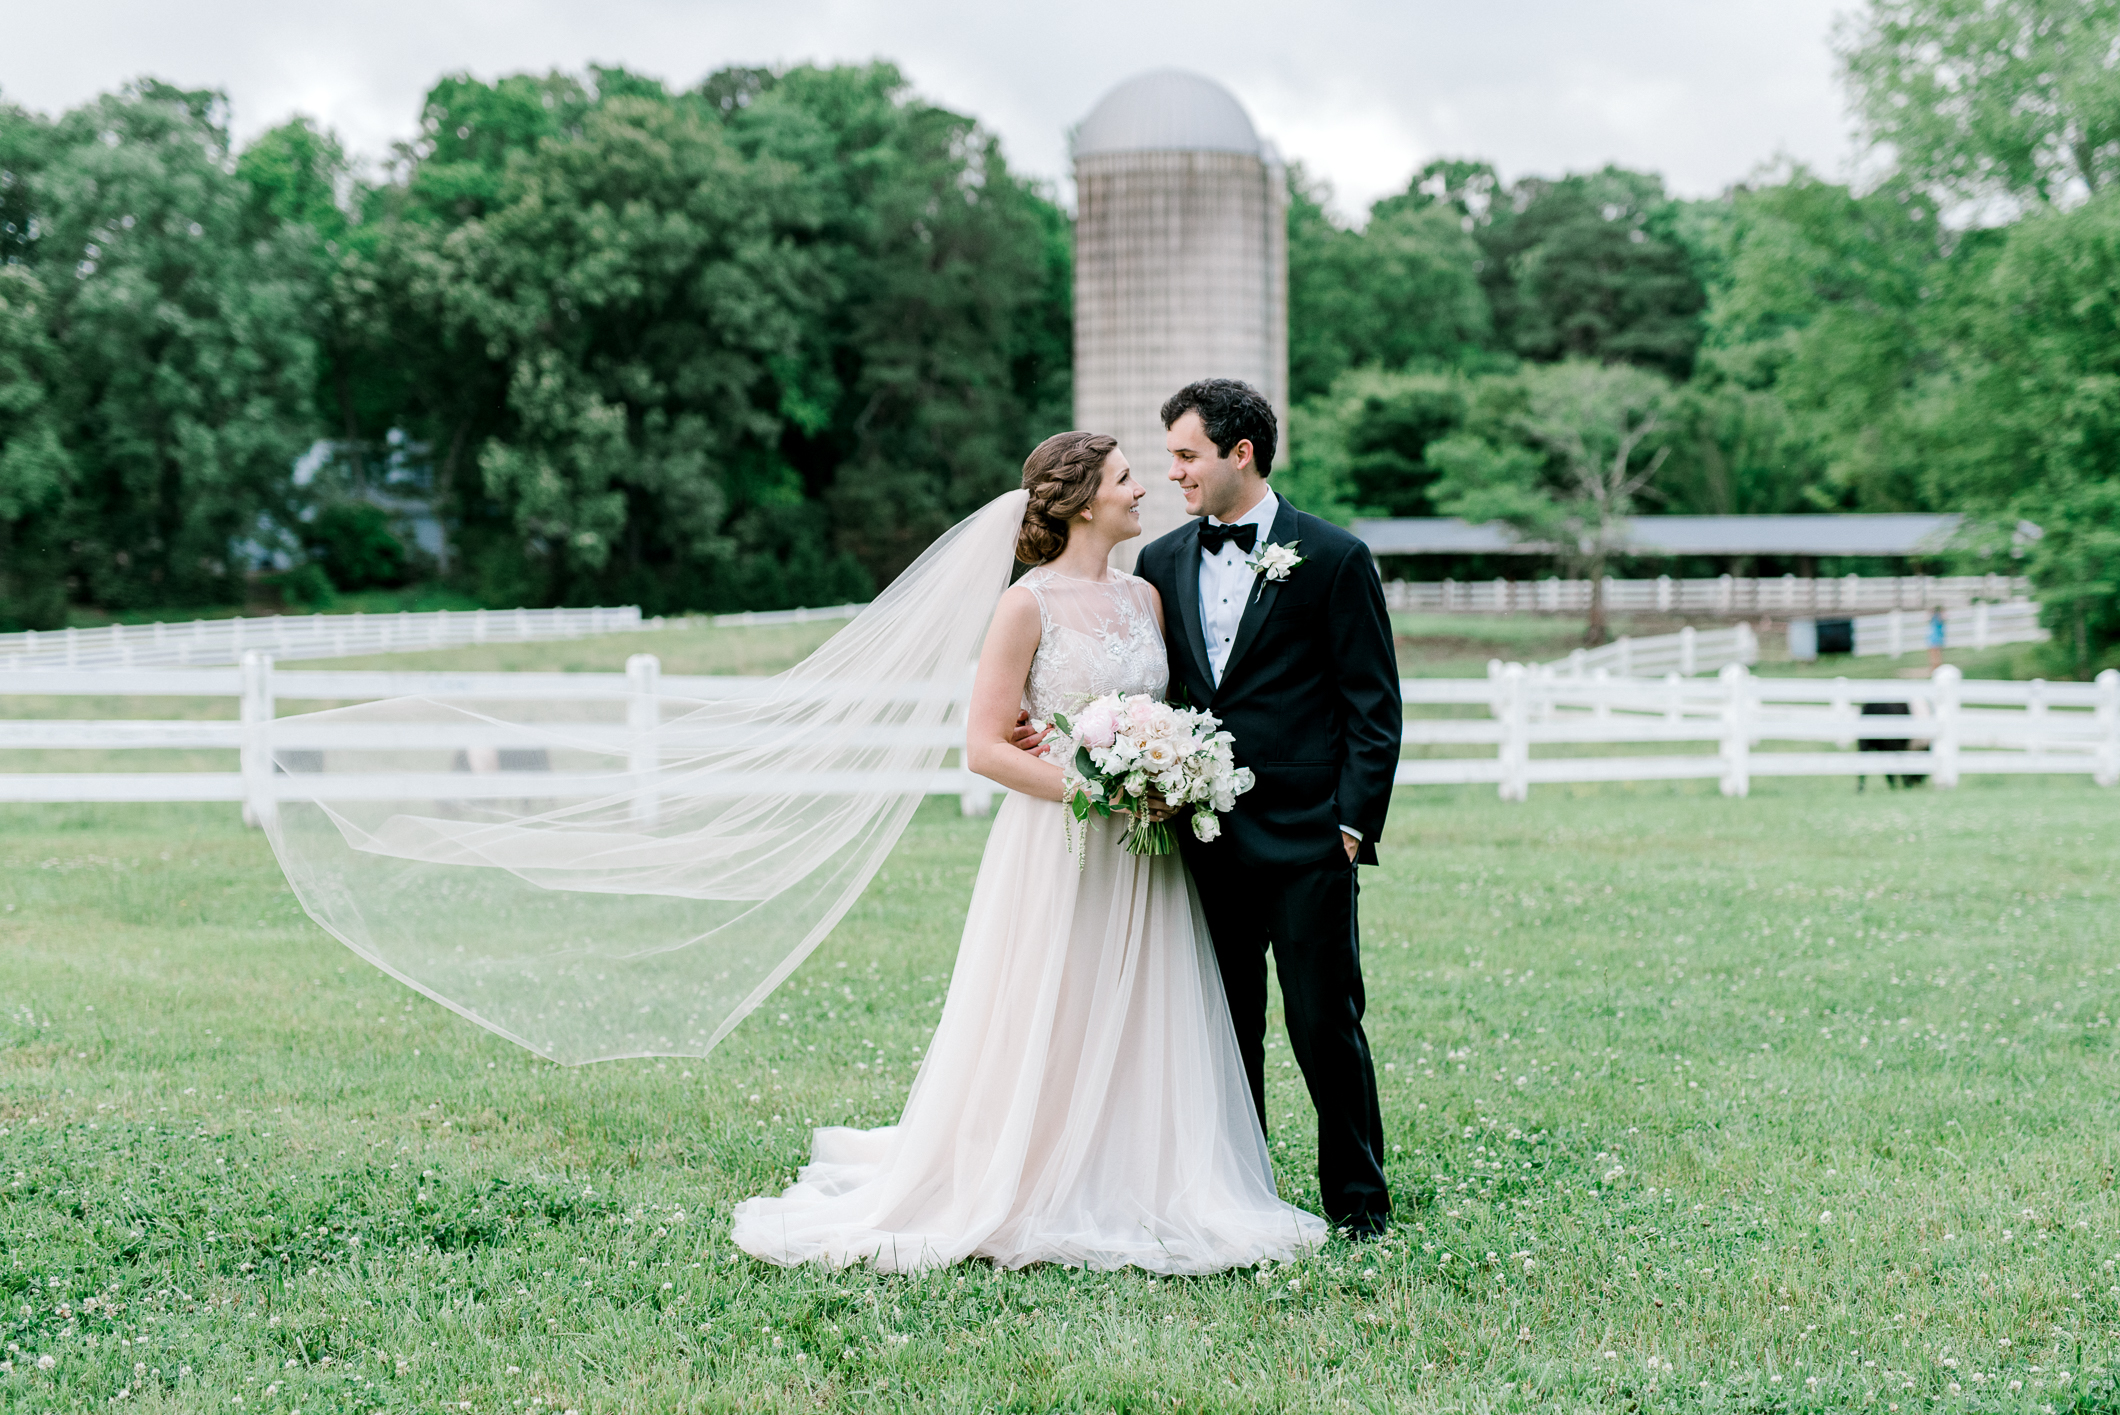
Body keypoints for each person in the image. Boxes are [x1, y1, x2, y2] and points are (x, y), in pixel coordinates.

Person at [730, 431, 1328, 1272]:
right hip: (1062, 843)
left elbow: (1166, 704)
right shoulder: (1026, 605)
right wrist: (1100, 789)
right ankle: (1032, 1168)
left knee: (1139, 1005)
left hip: (1146, 851)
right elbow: (985, 747)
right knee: (1057, 997)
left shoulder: (1146, 596)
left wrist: (1168, 764)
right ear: (1086, 501)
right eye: (1126, 478)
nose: (1142, 489)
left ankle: (1137, 1168)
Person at [1131, 379, 1402, 1240]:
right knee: (1223, 1025)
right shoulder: (1160, 562)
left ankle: (1358, 1201)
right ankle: (1237, 1195)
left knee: (1325, 1022)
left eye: (1185, 454)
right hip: (1202, 840)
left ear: (1239, 453)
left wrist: (1351, 828)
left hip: (1310, 839)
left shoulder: (1333, 556)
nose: (1171, 472)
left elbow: (1373, 706)